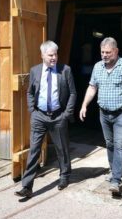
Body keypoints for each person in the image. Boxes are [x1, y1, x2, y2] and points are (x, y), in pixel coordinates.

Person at [79, 37, 122, 194]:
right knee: (109, 144)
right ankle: (114, 170)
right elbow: (92, 87)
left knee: (120, 144)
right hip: (104, 113)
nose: (104, 55)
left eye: (108, 52)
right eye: (102, 52)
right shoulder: (97, 67)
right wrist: (84, 105)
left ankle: (116, 180)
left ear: (116, 51)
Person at [15, 40, 77, 199]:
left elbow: (72, 93)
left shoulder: (65, 70)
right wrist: (32, 111)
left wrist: (66, 114)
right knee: (34, 150)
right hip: (39, 116)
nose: (54, 58)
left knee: (61, 148)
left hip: (58, 116)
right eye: (50, 55)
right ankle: (27, 186)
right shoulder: (35, 71)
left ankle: (64, 177)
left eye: (55, 54)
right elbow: (30, 92)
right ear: (42, 55)